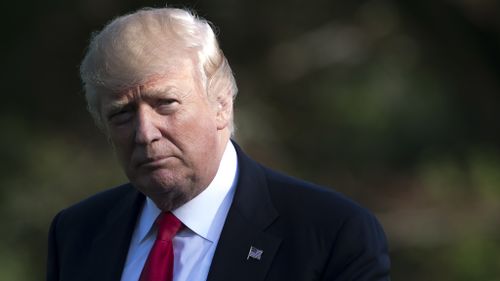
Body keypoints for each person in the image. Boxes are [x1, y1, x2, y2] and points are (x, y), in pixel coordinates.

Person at [46, 6, 390, 281]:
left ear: (221, 105)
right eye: (122, 114)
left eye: (165, 103)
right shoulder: (77, 234)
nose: (145, 133)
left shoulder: (330, 233)